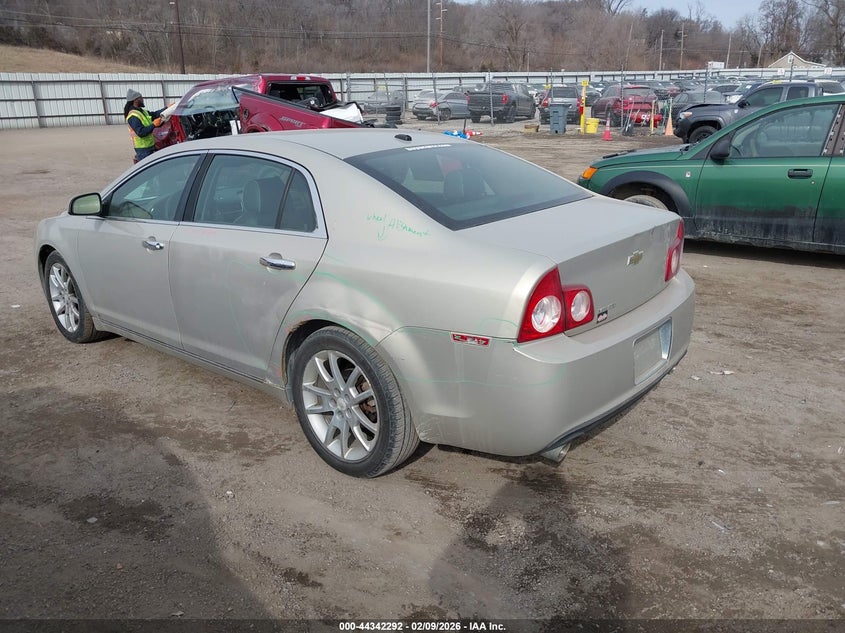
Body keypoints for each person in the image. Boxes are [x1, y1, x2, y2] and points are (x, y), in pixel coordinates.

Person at [124, 89, 166, 163]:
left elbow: (155, 114)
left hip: (149, 146)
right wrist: (154, 125)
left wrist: (167, 108)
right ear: (136, 100)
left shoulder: (142, 111)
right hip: (143, 150)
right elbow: (141, 132)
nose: (142, 99)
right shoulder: (133, 115)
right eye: (141, 98)